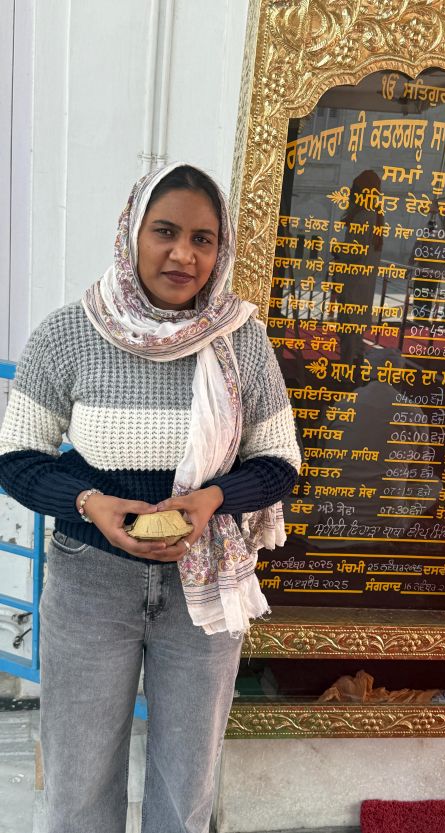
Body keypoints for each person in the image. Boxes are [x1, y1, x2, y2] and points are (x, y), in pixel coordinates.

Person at [0, 162, 301, 833]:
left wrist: (212, 499)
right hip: (91, 582)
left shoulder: (240, 339)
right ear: (131, 234)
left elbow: (280, 461)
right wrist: (90, 503)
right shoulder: (68, 333)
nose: (183, 254)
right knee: (79, 783)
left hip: (204, 586)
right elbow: (16, 456)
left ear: (220, 250)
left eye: (203, 239)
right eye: (165, 232)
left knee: (185, 784)